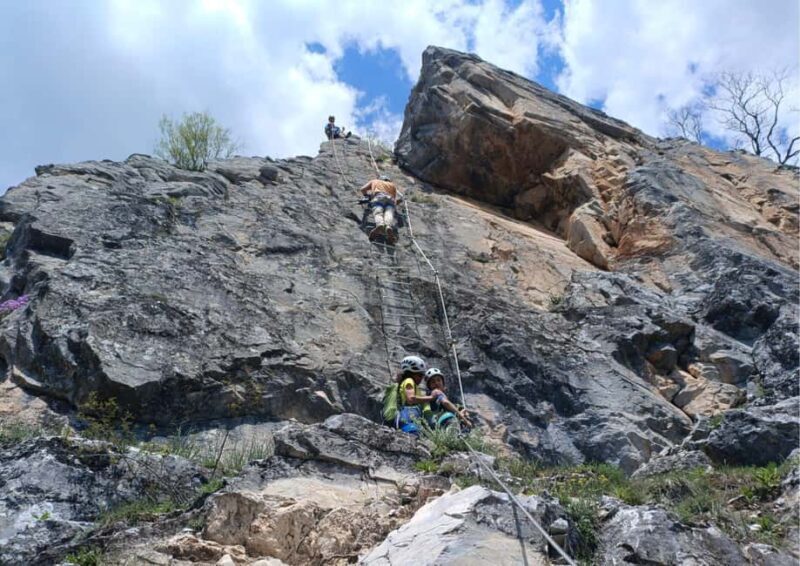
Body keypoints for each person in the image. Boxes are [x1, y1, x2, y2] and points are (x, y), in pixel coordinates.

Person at [394, 355, 437, 435]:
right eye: (420, 375)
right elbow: (411, 399)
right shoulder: (409, 381)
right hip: (409, 413)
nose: (421, 379)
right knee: (413, 432)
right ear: (411, 373)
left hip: (409, 414)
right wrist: (430, 397)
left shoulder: (408, 382)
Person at [359, 175, 402, 243]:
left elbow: (362, 189)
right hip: (390, 199)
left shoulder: (375, 181)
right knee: (389, 213)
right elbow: (395, 200)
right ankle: (388, 226)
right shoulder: (392, 185)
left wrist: (367, 196)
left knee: (378, 211)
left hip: (379, 197)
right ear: (388, 180)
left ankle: (380, 224)